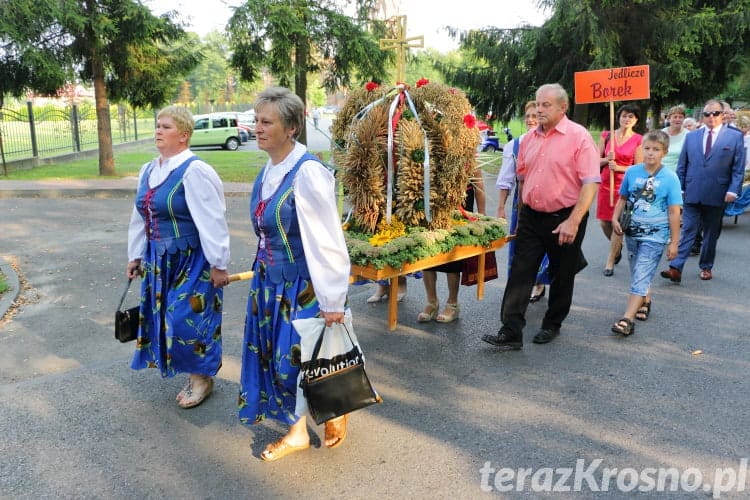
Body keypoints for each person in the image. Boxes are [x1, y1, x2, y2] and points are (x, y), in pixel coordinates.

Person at [238, 87, 351, 461]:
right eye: (256, 120)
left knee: (296, 362)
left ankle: (336, 406)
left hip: (301, 286)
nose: (258, 127)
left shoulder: (308, 174)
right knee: (275, 359)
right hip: (268, 285)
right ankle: (298, 432)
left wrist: (333, 299)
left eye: (266, 121)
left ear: (291, 128)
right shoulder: (269, 171)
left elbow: (328, 241)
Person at [126, 105, 230, 409]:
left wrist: (218, 263)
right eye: (158, 125)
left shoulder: (195, 170)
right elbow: (139, 217)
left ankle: (202, 378)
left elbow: (212, 220)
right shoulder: (148, 169)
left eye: (167, 126)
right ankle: (195, 373)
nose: (158, 130)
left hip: (191, 259)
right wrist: (135, 256)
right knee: (163, 318)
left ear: (183, 135)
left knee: (186, 319)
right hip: (158, 259)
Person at [481, 83, 600, 350]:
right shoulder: (528, 140)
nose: (539, 109)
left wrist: (574, 221)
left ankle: (552, 323)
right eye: (537, 104)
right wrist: (521, 217)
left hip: (565, 217)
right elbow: (522, 180)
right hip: (531, 217)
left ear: (563, 107)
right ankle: (511, 331)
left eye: (546, 105)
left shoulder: (579, 137)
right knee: (521, 272)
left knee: (561, 273)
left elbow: (590, 183)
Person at [660, 99, 746, 283]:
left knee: (711, 233)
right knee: (688, 229)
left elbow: (738, 168)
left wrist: (733, 190)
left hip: (718, 192)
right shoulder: (692, 136)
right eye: (707, 114)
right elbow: (683, 165)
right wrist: (680, 188)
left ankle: (706, 266)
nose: (711, 117)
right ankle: (676, 267)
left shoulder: (734, 136)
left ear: (722, 115)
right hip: (692, 191)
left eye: (715, 113)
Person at [610, 131, 682, 335]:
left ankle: (627, 319)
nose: (650, 153)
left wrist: (674, 242)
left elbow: (674, 211)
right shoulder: (632, 172)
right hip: (633, 232)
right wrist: (615, 218)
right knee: (637, 271)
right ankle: (645, 299)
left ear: (664, 152)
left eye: (656, 150)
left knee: (641, 272)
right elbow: (623, 198)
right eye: (647, 148)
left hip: (656, 235)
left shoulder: (670, 178)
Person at [496, 101, 550, 303]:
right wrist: (501, 207)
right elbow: (505, 180)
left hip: (546, 203)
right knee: (521, 244)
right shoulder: (514, 145)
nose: (530, 119)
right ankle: (520, 285)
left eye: (535, 115)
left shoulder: (551, 143)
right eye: (527, 116)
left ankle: (539, 282)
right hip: (522, 204)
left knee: (543, 245)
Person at [418, 166, 486, 323]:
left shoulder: (468, 151)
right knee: (426, 257)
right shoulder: (430, 147)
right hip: (433, 208)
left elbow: (479, 185)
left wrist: (481, 215)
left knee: (453, 260)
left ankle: (452, 304)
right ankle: (431, 301)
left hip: (459, 210)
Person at [597, 103, 643, 276]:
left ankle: (610, 260)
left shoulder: (638, 139)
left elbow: (639, 166)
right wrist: (606, 160)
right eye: (624, 115)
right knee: (604, 222)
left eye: (631, 116)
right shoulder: (607, 135)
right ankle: (617, 246)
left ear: (636, 120)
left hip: (625, 187)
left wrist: (619, 167)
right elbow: (596, 160)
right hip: (605, 184)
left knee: (618, 223)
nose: (627, 119)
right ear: (618, 117)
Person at [661, 105, 688, 171]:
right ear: (669, 118)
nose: (677, 119)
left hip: (678, 173)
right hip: (659, 171)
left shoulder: (688, 135)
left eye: (680, 117)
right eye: (675, 117)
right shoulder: (661, 133)